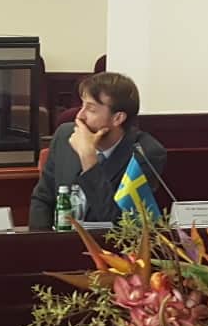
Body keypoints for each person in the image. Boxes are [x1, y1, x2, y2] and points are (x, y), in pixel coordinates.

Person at [29, 72, 167, 229]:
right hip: (62, 239)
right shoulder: (65, 135)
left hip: (105, 243)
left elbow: (123, 225)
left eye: (91, 109)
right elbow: (43, 199)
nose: (80, 116)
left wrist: (88, 159)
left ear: (117, 118)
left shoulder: (146, 153)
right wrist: (41, 241)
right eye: (82, 105)